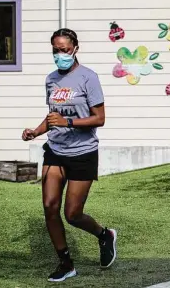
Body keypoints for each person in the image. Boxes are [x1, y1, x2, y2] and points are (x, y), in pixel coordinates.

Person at [21, 28, 117, 282]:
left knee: (72, 214)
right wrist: (36, 131)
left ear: (75, 48)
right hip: (55, 150)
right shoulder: (51, 79)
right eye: (55, 50)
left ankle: (103, 234)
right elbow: (53, 116)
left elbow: (100, 119)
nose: (59, 54)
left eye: (64, 49)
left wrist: (69, 122)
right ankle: (66, 263)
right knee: (49, 207)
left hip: (83, 153)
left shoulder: (88, 78)